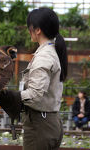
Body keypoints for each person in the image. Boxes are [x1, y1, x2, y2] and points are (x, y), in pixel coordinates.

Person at [20, 8, 67, 149]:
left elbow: (34, 95)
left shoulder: (44, 56)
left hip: (40, 124)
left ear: (37, 30)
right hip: (50, 121)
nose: (29, 30)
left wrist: (9, 97)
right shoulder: (52, 51)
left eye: (30, 27)